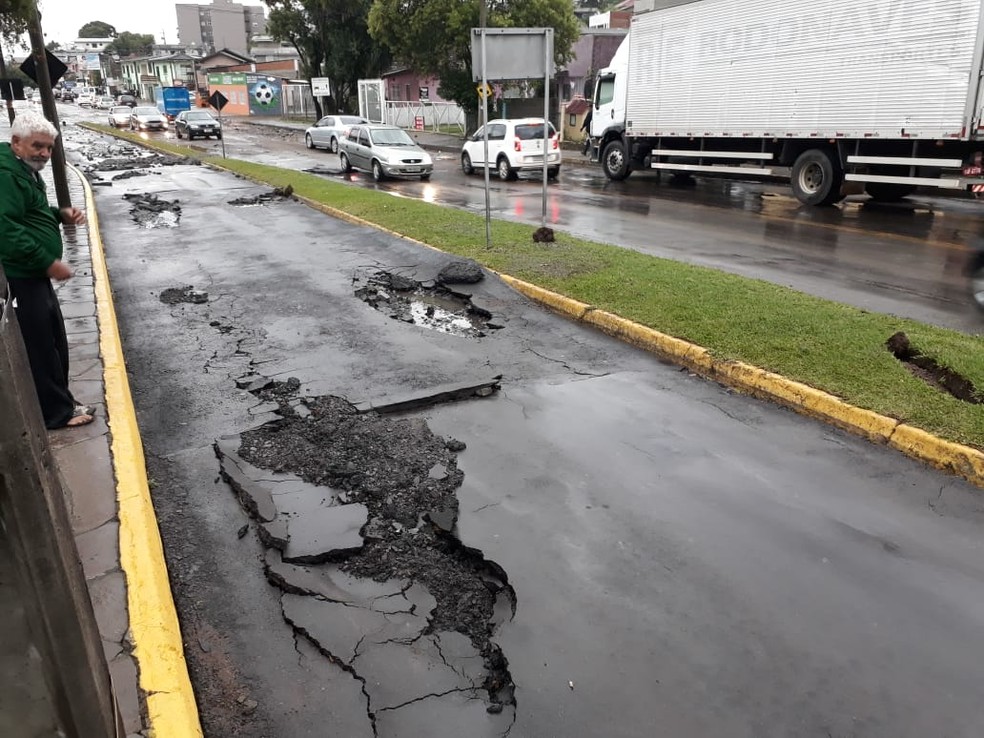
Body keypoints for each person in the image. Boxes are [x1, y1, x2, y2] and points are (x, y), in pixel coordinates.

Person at [0, 112, 94, 429]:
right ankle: (54, 413)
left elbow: (32, 213)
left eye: (49, 148)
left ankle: (62, 401)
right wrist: (47, 261)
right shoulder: (6, 175)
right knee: (39, 347)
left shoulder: (25, 171)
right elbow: (6, 229)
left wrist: (59, 213)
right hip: (22, 276)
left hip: (35, 275)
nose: (43, 153)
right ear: (16, 142)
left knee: (54, 340)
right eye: (37, 146)